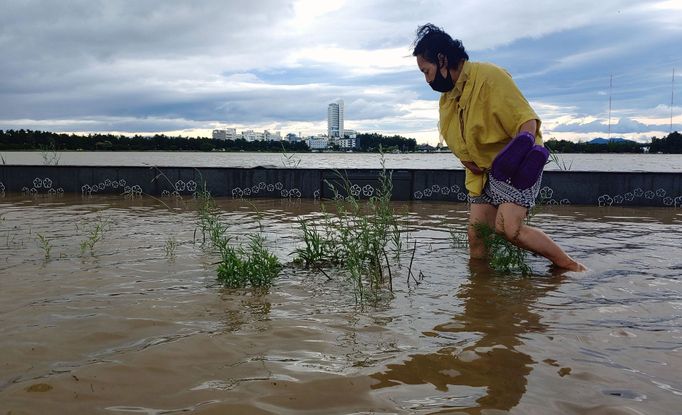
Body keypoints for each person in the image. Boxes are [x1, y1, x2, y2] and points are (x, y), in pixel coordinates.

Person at [412, 23, 585, 272]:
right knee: (477, 237)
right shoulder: (448, 97)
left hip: (516, 168)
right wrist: (466, 161)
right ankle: (481, 293)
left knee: (509, 230)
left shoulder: (490, 77)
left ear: (442, 59)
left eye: (426, 71)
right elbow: (457, 138)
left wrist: (520, 154)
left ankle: (570, 267)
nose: (427, 80)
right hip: (480, 174)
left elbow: (527, 121)